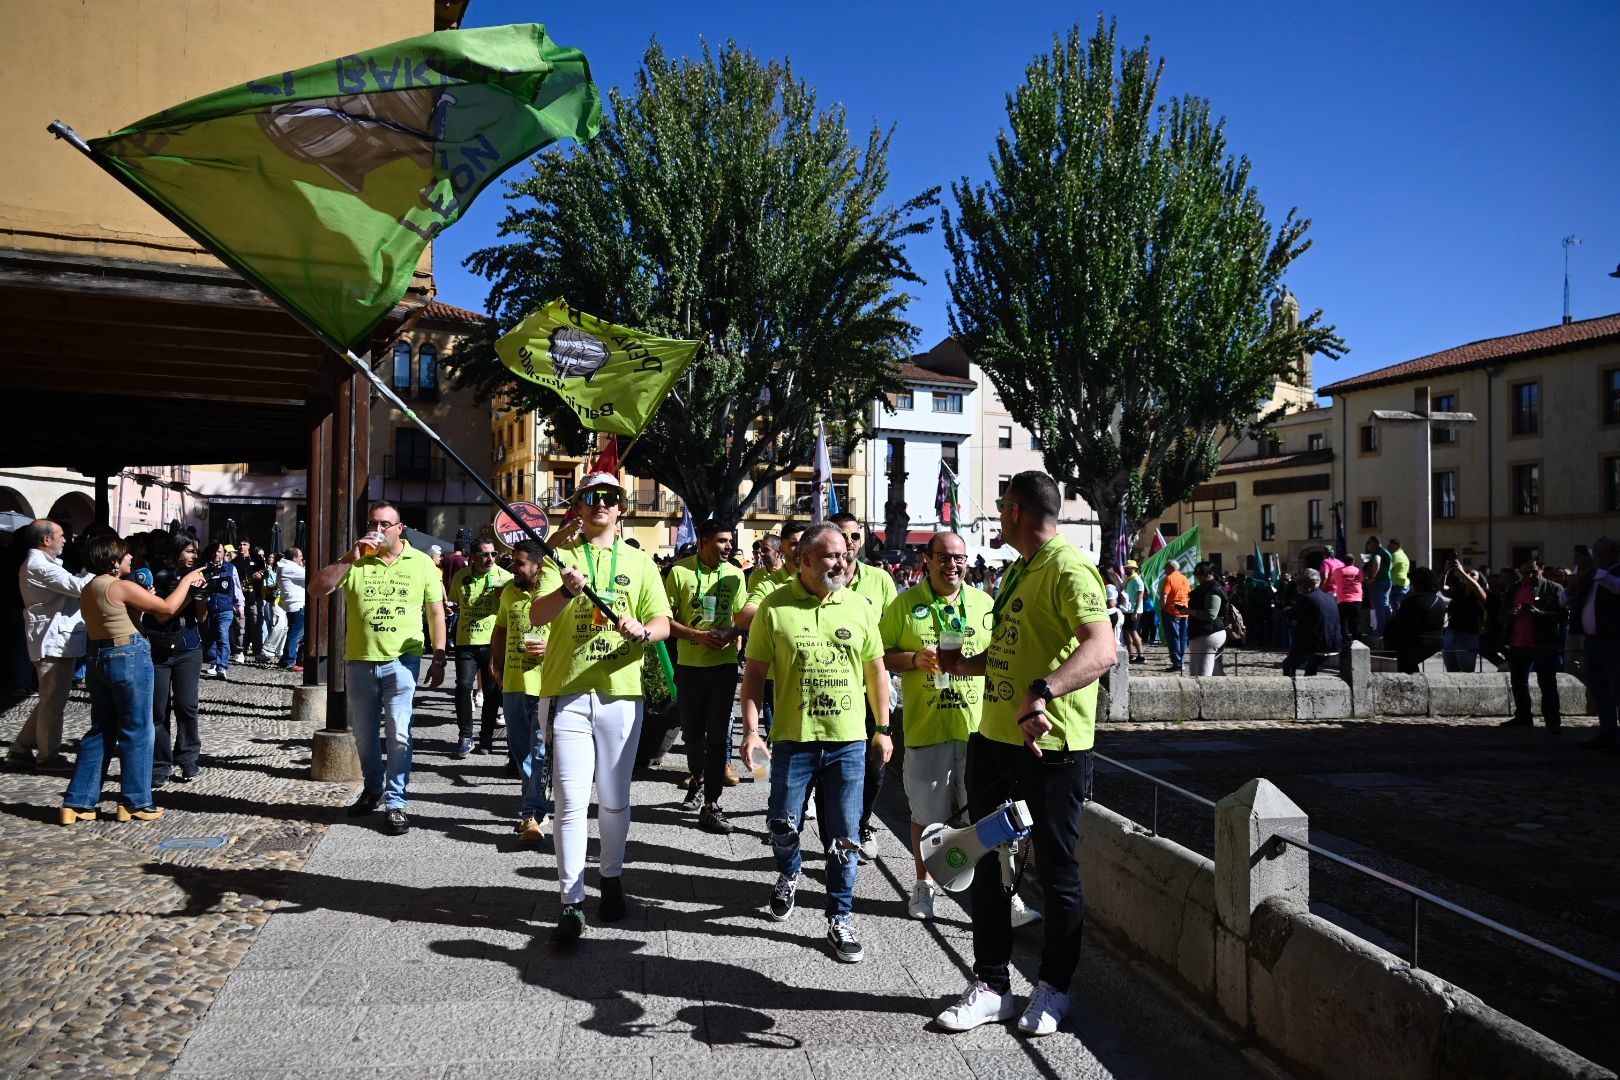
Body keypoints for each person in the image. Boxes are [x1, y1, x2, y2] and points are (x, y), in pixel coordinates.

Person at [932, 472, 1113, 1037]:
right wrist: (972, 664)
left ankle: (1054, 988)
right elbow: (1017, 649)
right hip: (994, 740)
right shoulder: (1018, 570)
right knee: (987, 862)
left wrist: (1045, 692)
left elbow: (1101, 647)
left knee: (1057, 873)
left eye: (1000, 504)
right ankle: (992, 985)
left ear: (1013, 510)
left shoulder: (1067, 565)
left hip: (1051, 749)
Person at [528, 473, 672, 944]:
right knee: (570, 800)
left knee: (614, 798)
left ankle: (611, 879)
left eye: (610, 498)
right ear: (579, 504)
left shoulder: (639, 560)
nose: (601, 505)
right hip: (568, 692)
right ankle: (570, 902)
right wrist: (567, 591)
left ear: (621, 507)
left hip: (622, 693)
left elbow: (663, 622)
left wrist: (643, 632)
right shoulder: (562, 556)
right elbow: (536, 615)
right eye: (591, 497)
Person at [738, 522, 890, 963]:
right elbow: (753, 678)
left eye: (844, 554)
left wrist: (883, 728)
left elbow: (876, 672)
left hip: (848, 744)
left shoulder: (859, 606)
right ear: (803, 559)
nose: (840, 562)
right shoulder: (774, 607)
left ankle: (839, 917)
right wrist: (751, 731)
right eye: (829, 555)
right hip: (792, 742)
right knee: (781, 826)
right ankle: (789, 872)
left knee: (844, 836)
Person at [308, 501, 447, 835]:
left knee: (400, 733)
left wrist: (439, 656)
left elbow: (436, 612)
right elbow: (316, 589)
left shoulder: (422, 563)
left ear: (400, 528)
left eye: (385, 524)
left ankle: (396, 803)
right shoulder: (357, 560)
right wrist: (348, 560)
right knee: (365, 735)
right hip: (360, 660)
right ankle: (373, 788)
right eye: (373, 523)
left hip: (403, 661)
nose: (378, 529)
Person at [880, 530, 993, 921]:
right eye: (944, 557)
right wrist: (913, 659)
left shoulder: (982, 603)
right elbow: (880, 657)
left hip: (977, 730)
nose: (953, 564)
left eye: (959, 558)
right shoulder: (906, 604)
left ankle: (997, 892)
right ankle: (924, 885)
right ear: (926, 560)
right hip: (927, 728)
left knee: (983, 817)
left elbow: (1000, 658)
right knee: (927, 816)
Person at [60, 533, 205, 825]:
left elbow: (123, 615)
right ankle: (136, 801)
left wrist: (143, 597)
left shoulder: (90, 587)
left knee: (101, 731)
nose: (131, 559)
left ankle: (77, 802)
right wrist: (188, 581)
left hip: (98, 656)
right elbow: (165, 610)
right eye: (126, 556)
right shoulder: (120, 586)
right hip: (128, 655)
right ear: (114, 562)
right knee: (138, 729)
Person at [664, 519, 747, 833]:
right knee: (692, 733)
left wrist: (733, 631)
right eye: (722, 541)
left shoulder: (736, 574)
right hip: (689, 666)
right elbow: (665, 619)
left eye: (730, 541)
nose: (728, 547)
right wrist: (696, 635)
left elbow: (741, 618)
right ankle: (697, 779)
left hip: (724, 666)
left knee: (717, 735)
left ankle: (712, 802)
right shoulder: (680, 572)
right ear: (703, 541)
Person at [831, 512, 898, 863]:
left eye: (856, 535)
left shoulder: (881, 580)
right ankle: (838, 838)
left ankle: (863, 823)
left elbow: (889, 637)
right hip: (832, 690)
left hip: (871, 690)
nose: (851, 542)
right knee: (836, 770)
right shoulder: (820, 578)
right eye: (844, 536)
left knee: (875, 766)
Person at [10, 520, 88, 772]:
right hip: (52, 640)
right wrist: (99, 571)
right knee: (53, 704)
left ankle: (21, 749)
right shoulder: (39, 566)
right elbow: (79, 587)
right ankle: (48, 755)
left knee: (49, 700)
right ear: (46, 540)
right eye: (61, 536)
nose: (65, 540)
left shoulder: (42, 564)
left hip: (56, 639)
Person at [488, 539, 551, 841]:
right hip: (513, 683)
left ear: (538, 566)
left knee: (539, 751)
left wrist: (550, 648)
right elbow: (500, 629)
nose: (513, 567)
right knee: (520, 749)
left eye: (520, 563)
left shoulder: (553, 594)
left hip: (545, 684)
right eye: (513, 561)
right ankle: (537, 803)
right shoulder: (509, 593)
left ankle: (532, 813)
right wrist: (495, 662)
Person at [146, 534, 208, 787]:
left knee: (186, 706)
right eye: (189, 551)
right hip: (158, 650)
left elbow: (202, 618)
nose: (194, 556)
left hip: (189, 648)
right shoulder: (157, 577)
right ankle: (160, 765)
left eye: (196, 551)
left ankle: (188, 756)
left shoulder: (197, 578)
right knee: (158, 710)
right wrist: (188, 590)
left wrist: (201, 597)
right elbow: (162, 614)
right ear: (176, 552)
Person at [449, 538, 512, 758]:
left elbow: (514, 606)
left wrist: (503, 597)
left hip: (493, 641)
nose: (490, 559)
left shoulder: (505, 577)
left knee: (493, 691)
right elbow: (455, 604)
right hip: (466, 640)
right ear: (473, 556)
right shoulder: (461, 577)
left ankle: (486, 737)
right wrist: (450, 609)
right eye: (485, 554)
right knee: (463, 686)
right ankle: (466, 736)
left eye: (493, 554)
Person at [1498, 556, 1565, 730]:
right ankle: (1523, 717)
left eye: (1533, 571)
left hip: (1543, 644)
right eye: (1525, 572)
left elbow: (1563, 616)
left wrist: (1539, 614)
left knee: (1548, 684)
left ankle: (1552, 721)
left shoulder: (1554, 588)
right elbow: (1502, 615)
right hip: (1518, 643)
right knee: (1519, 682)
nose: (1529, 576)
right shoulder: (1514, 589)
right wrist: (1511, 612)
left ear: (1541, 568)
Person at [1568, 538, 1620, 751]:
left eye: (1601, 553)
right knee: (1599, 690)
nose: (1596, 557)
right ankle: (1607, 733)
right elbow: (1570, 599)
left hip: (1614, 640)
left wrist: (1594, 571)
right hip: (1593, 641)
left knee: (1617, 688)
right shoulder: (1593, 576)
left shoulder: (1613, 573)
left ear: (1614, 554)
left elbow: (1617, 588)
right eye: (1595, 553)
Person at [1383, 566, 1447, 673]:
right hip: (1437, 643)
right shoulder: (1440, 601)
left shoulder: (1411, 601)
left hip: (1415, 643)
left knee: (1406, 671)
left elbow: (1397, 623)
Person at [1281, 569, 1340, 676]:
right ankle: (1310, 687)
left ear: (1312, 583)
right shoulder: (1330, 598)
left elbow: (1292, 614)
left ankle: (1291, 690)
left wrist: (1286, 608)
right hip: (1332, 644)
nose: (1298, 585)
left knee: (1288, 664)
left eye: (1301, 582)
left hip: (1315, 645)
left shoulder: (1307, 598)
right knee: (1311, 666)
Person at [199, 542, 243, 680]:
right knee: (211, 636)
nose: (217, 554)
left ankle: (222, 666)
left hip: (225, 608)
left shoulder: (230, 568)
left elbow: (237, 588)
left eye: (220, 551)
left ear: (224, 553)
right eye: (215, 551)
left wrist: (240, 606)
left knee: (222, 635)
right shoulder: (205, 568)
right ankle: (213, 662)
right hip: (210, 608)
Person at [1440, 560, 1487, 672]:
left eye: (1473, 574)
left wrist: (1462, 572)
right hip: (1451, 633)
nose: (1469, 575)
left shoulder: (1481, 593)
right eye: (1468, 573)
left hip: (1468, 635)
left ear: (1479, 579)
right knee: (1451, 672)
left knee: (1466, 672)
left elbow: (1477, 589)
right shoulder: (1459, 591)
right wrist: (1446, 571)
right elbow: (1442, 588)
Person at [1186, 562, 1228, 677]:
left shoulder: (1213, 589)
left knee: (1201, 675)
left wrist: (1189, 611)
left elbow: (1210, 615)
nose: (1200, 576)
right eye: (1197, 574)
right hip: (1204, 634)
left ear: (1211, 574)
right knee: (1216, 672)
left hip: (1208, 634)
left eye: (1203, 573)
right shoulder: (1205, 588)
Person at [232, 539, 269, 663]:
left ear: (249, 545)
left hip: (254, 597)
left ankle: (258, 651)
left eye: (244, 544)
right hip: (240, 599)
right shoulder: (234, 562)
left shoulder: (257, 559)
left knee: (256, 624)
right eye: (240, 544)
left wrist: (261, 576)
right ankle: (240, 651)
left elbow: (266, 573)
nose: (241, 547)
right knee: (240, 626)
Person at [277, 548, 306, 670]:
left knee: (295, 633)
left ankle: (286, 659)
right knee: (295, 635)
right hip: (297, 605)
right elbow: (309, 575)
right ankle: (289, 661)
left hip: (293, 605)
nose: (301, 559)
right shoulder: (291, 568)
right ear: (294, 558)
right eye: (300, 557)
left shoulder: (285, 566)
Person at [1160, 562, 1191, 672]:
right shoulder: (1185, 579)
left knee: (1173, 638)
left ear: (1170, 568)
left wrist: (1163, 609)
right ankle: (1181, 661)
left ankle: (1177, 663)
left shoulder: (1169, 578)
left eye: (1165, 567)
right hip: (1184, 611)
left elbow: (1164, 595)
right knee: (1183, 637)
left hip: (1171, 611)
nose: (1164, 570)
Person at [1330, 555, 1365, 645]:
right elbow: (1362, 581)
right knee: (1356, 622)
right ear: (1353, 561)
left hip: (1342, 600)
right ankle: (1358, 642)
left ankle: (1346, 642)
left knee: (1343, 622)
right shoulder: (1358, 571)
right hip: (1357, 599)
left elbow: (1332, 581)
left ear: (1343, 562)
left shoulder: (1338, 571)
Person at [1363, 536, 1393, 634]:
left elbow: (1377, 561)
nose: (1368, 545)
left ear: (1375, 543)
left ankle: (1380, 629)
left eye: (1369, 543)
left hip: (1379, 582)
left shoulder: (1378, 553)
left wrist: (1372, 577)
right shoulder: (1386, 551)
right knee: (1385, 605)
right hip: (1387, 581)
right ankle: (1389, 628)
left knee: (1379, 606)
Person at [1119, 560, 1145, 663]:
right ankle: (1131, 654)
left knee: (1133, 632)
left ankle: (1141, 656)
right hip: (1127, 610)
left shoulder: (1137, 580)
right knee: (1127, 632)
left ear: (1133, 569)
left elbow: (1140, 597)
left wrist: (1135, 611)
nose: (1125, 569)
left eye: (1128, 568)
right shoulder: (1128, 579)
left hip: (1134, 610)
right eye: (1125, 567)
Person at [1387, 539, 1411, 613]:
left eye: (1390, 546)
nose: (1388, 547)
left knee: (1396, 609)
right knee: (1403, 608)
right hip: (1404, 584)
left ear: (1396, 546)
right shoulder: (1404, 555)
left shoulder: (1395, 555)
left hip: (1397, 585)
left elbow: (1388, 568)